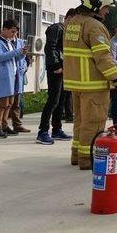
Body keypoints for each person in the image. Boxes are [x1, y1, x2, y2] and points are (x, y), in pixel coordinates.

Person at [63, 0, 117, 170]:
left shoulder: (72, 22)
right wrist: (116, 79)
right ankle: (87, 160)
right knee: (94, 124)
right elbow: (103, 58)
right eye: (106, 7)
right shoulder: (94, 26)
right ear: (96, 5)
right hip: (94, 84)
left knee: (80, 123)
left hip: (77, 83)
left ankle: (77, 155)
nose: (107, 11)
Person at [36, 8, 76, 145]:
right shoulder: (57, 28)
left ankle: (57, 129)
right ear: (68, 17)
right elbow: (50, 48)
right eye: (74, 20)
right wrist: (56, 65)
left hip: (64, 69)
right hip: (56, 69)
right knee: (53, 100)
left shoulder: (68, 32)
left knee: (61, 100)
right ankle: (42, 131)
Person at [0, 20, 29, 138]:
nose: (14, 35)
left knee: (9, 104)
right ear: (4, 29)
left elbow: (13, 59)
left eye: (15, 33)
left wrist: (22, 54)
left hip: (11, 76)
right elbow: (0, 57)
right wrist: (16, 51)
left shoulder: (9, 42)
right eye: (12, 32)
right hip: (2, 77)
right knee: (2, 103)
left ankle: (5, 125)